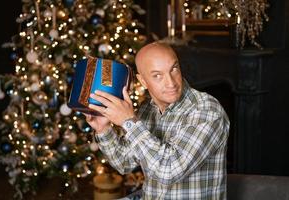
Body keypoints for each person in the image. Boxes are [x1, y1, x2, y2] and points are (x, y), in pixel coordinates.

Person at [85, 42, 230, 199]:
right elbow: (124, 163)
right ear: (143, 81)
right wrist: (103, 129)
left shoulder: (207, 110)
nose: (171, 83)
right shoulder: (146, 110)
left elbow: (169, 170)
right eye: (157, 75)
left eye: (173, 69)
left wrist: (129, 122)